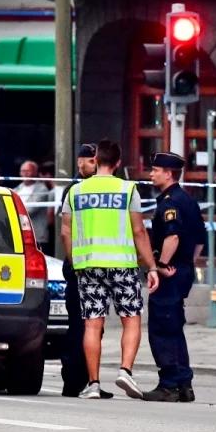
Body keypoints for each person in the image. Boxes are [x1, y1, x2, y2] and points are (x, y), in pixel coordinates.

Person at [60, 140, 160, 400]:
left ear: (97, 161)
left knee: (92, 325)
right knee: (131, 318)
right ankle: (125, 370)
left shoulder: (76, 191)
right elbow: (139, 231)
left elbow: (66, 231)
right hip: (122, 265)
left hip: (88, 266)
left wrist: (74, 261)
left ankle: (92, 383)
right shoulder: (128, 190)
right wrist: (151, 266)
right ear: (117, 162)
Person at [141, 151, 206, 402]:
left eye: (155, 170)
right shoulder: (188, 200)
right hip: (183, 271)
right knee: (175, 326)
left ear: (168, 174)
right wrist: (188, 262)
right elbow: (200, 239)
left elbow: (173, 236)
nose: (151, 174)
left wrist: (161, 264)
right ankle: (184, 384)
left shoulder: (170, 201)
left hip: (170, 273)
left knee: (162, 328)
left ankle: (169, 384)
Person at [58, 144, 99, 397]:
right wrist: (74, 264)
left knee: (93, 327)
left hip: (94, 267)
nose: (87, 164)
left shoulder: (100, 189)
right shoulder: (73, 190)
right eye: (86, 160)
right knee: (78, 327)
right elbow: (66, 231)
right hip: (79, 267)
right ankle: (73, 381)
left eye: (93, 160)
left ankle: (89, 380)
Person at [13, 160, 51, 244]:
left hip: (36, 236)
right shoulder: (16, 189)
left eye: (28, 171)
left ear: (35, 172)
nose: (25, 174)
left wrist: (12, 211)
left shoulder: (42, 189)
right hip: (20, 235)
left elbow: (29, 210)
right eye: (23, 171)